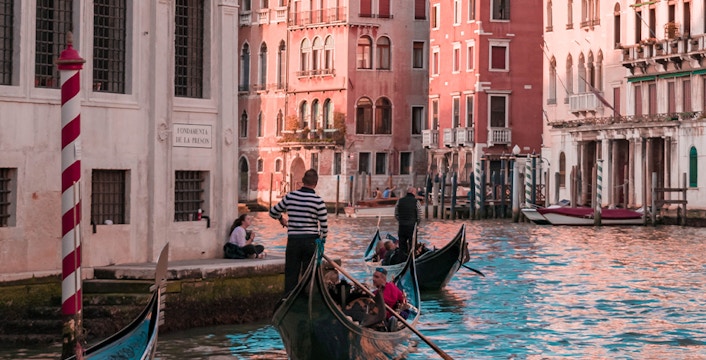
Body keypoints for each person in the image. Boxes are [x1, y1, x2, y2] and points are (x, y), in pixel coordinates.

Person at [270, 169, 328, 295]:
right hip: (310, 242)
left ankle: (288, 300)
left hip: (294, 241)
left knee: (291, 273)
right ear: (316, 183)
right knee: (308, 276)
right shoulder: (318, 201)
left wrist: (281, 219)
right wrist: (322, 243)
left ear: (302, 181)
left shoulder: (290, 197)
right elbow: (324, 228)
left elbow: (273, 212)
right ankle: (305, 301)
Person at [394, 186, 423, 257]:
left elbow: (396, 214)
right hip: (412, 226)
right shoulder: (416, 201)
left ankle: (402, 258)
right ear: (413, 192)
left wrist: (401, 221)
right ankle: (412, 257)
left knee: (402, 244)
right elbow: (419, 215)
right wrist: (417, 223)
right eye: (415, 192)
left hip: (402, 226)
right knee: (412, 244)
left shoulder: (399, 201)